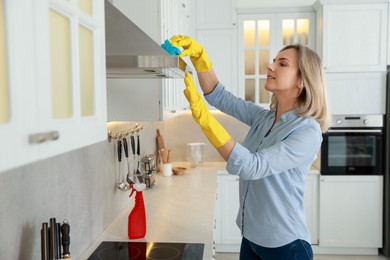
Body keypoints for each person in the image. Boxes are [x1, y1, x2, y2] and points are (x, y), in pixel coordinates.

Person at [170, 35, 329, 260]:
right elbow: (219, 96)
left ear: (302, 80)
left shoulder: (307, 132)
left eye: (282, 64)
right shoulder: (265, 118)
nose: (270, 65)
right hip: (251, 239)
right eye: (274, 60)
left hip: (286, 246)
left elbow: (252, 167)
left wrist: (206, 120)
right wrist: (200, 58)